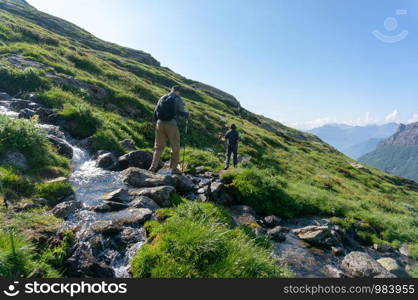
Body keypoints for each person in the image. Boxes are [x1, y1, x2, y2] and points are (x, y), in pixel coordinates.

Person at [149, 86, 190, 174]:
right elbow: (180, 111)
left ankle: (153, 167)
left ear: (171, 90)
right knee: (175, 146)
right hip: (171, 124)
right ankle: (173, 169)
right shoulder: (177, 99)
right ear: (178, 91)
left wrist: (156, 123)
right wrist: (186, 114)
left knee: (158, 147)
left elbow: (155, 111)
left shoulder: (163, 97)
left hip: (159, 123)